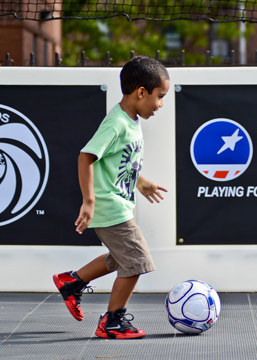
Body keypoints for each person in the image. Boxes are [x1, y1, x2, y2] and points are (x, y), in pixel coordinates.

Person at [53, 55, 170, 339]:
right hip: (109, 206)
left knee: (121, 257)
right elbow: (86, 156)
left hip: (119, 204)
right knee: (137, 260)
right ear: (141, 92)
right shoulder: (116, 123)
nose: (161, 105)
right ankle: (112, 322)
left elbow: (118, 161)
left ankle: (72, 282)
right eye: (160, 96)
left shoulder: (130, 121)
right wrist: (89, 201)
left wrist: (140, 182)